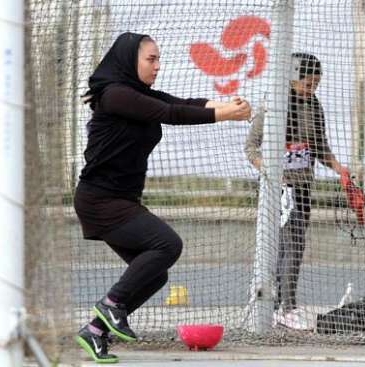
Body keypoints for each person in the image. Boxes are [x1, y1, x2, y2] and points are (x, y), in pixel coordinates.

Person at [74, 32, 251, 363]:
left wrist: (227, 105)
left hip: (120, 199)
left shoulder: (139, 94)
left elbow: (183, 104)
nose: (157, 66)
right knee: (167, 245)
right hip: (101, 199)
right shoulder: (115, 96)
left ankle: (95, 332)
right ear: (130, 60)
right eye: (150, 59)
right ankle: (111, 306)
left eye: (159, 59)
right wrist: (226, 115)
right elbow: (171, 114)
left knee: (156, 274)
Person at [245, 53, 350, 315]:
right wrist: (269, 170)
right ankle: (279, 305)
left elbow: (319, 146)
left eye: (316, 83)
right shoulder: (274, 106)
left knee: (296, 245)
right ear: (292, 78)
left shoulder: (314, 106)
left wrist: (339, 168)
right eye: (307, 82)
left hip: (302, 187)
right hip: (276, 190)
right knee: (281, 245)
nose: (311, 88)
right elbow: (251, 148)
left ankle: (285, 304)